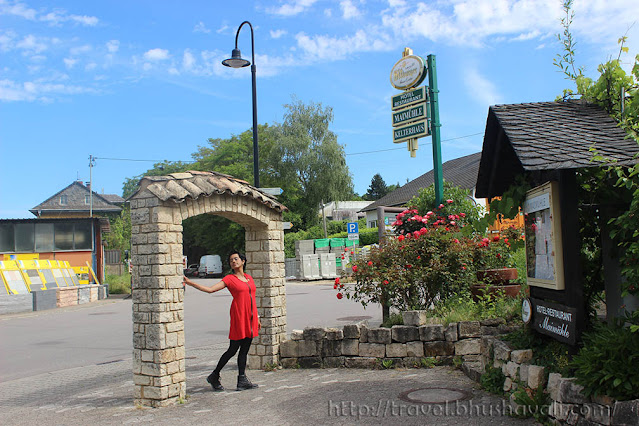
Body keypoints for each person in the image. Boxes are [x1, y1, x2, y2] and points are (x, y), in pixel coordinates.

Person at [183, 250, 260, 391]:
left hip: (251, 318)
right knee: (232, 349)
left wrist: (258, 317)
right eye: (231, 260)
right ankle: (214, 375)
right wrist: (190, 283)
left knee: (244, 350)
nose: (234, 261)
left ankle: (242, 379)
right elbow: (210, 289)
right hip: (239, 317)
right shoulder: (229, 279)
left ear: (243, 261)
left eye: (236, 259)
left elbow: (252, 299)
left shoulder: (249, 278)